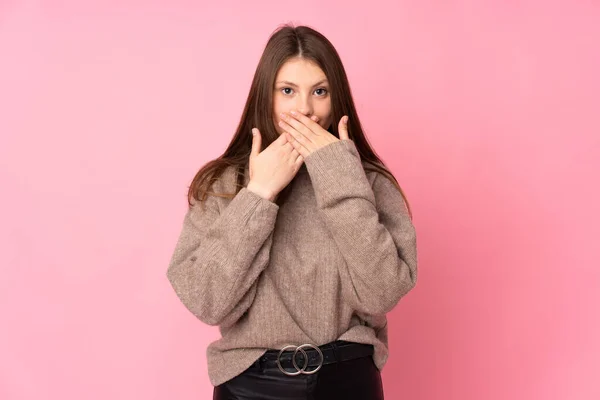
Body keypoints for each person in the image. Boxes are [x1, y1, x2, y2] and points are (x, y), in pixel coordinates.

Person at [166, 23, 418, 400]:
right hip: (249, 384)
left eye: (320, 91)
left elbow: (383, 292)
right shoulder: (224, 181)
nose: (304, 109)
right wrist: (259, 193)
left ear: (338, 100)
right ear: (264, 98)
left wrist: (339, 176)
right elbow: (206, 300)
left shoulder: (369, 182)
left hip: (347, 379)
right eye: (287, 91)